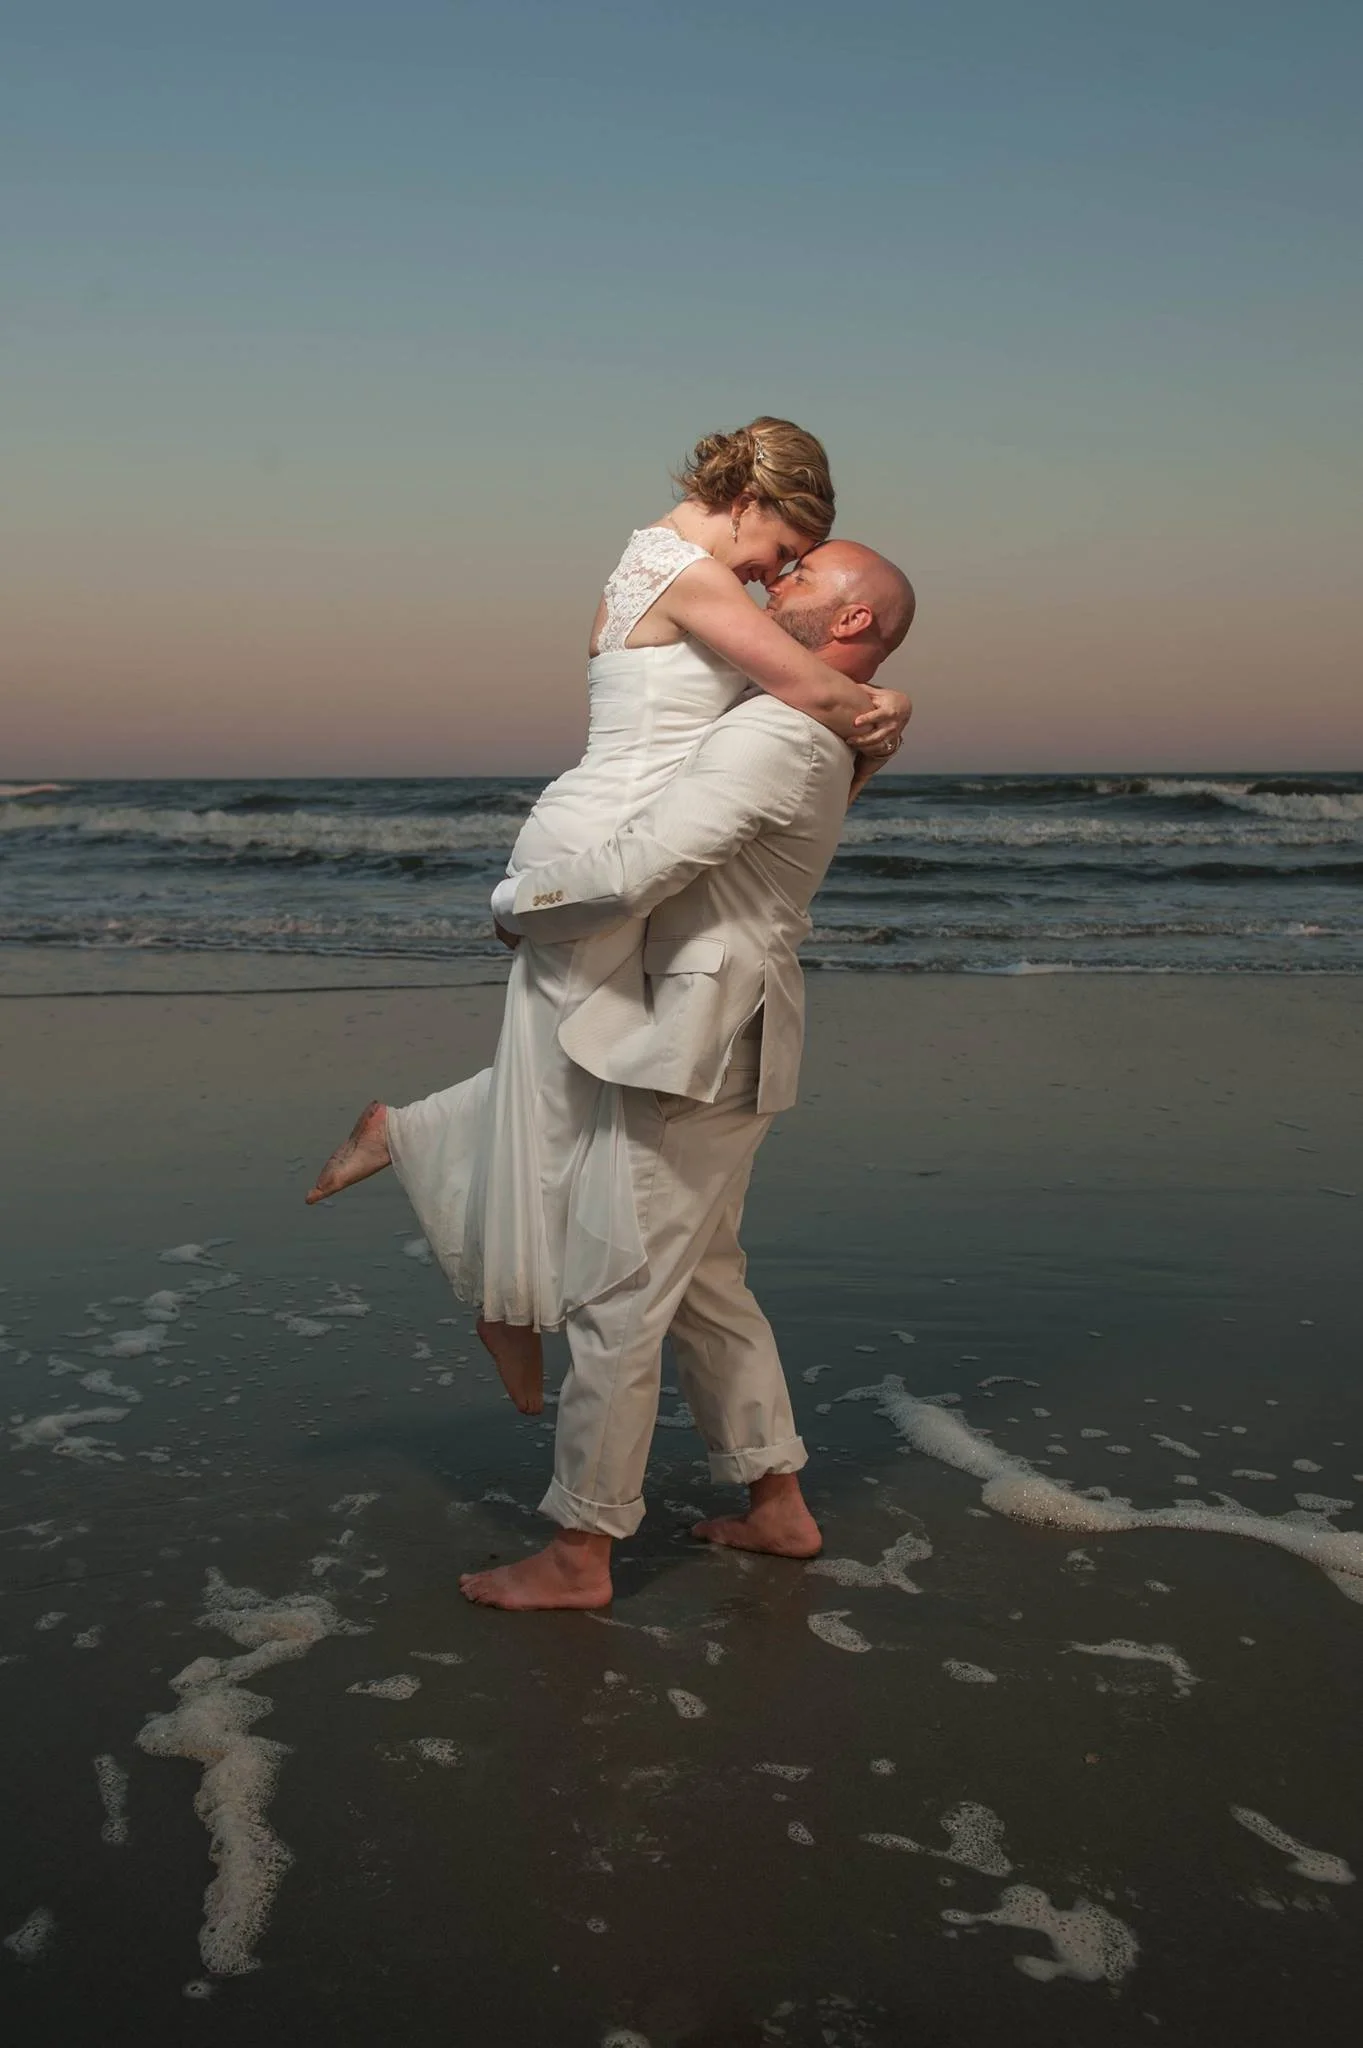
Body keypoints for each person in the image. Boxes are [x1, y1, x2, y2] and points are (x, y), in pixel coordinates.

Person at [306, 422, 910, 1410]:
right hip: (597, 844)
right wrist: (891, 703)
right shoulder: (682, 571)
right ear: (756, 500)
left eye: (794, 567)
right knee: (562, 1088)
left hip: (622, 842)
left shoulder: (685, 571)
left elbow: (800, 704)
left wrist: (879, 705)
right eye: (786, 547)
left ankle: (416, 1148)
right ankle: (486, 1276)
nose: (776, 574)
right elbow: (807, 686)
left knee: (568, 1073)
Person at [456, 537, 916, 1608]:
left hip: (699, 1039)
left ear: (851, 625)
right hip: (736, 1032)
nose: (767, 584)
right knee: (705, 1282)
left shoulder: (772, 733)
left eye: (798, 580)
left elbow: (640, 864)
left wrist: (514, 906)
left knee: (619, 1293)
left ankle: (579, 1551)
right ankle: (777, 1501)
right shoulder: (803, 725)